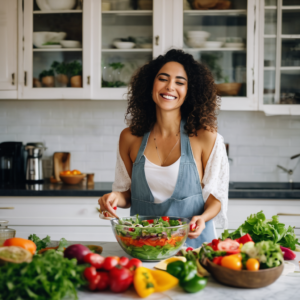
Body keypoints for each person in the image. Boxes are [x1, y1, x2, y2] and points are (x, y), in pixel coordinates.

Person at [98, 49, 229, 248]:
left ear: (190, 91)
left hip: (195, 248)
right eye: (163, 79)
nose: (170, 87)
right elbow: (127, 194)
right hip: (144, 248)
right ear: (151, 84)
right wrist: (114, 197)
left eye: (180, 82)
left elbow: (215, 197)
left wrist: (203, 217)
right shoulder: (129, 138)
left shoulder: (206, 137)